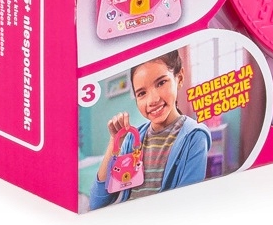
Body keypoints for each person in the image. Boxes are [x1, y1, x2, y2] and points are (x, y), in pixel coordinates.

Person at [89, 50, 210, 209]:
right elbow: (97, 203)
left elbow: (186, 205)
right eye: (142, 93)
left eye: (161, 83)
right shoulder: (132, 140)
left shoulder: (195, 136)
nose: (152, 100)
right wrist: (114, 141)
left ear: (179, 78)